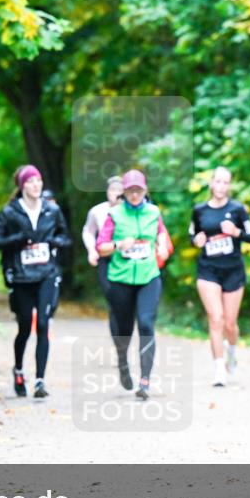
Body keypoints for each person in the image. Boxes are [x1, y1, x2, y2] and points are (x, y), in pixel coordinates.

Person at [0, 165, 71, 399]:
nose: (37, 185)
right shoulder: (9, 212)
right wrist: (19, 240)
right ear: (22, 185)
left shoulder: (51, 210)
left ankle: (40, 380)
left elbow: (66, 237)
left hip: (46, 273)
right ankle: (19, 369)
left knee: (43, 324)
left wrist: (53, 242)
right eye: (31, 181)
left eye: (39, 180)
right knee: (25, 327)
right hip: (22, 276)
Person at [96, 169, 171, 401]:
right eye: (131, 191)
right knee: (125, 329)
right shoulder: (115, 214)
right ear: (125, 192)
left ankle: (145, 381)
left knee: (147, 324)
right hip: (121, 279)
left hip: (149, 276)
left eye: (139, 190)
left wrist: (161, 246)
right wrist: (119, 244)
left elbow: (161, 234)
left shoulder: (153, 212)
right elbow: (101, 247)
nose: (135, 194)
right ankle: (122, 361)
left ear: (145, 190)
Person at [189, 167, 250, 387]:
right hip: (208, 270)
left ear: (229, 186)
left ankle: (231, 350)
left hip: (233, 271)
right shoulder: (199, 210)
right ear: (211, 184)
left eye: (225, 182)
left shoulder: (238, 209)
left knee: (230, 323)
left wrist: (235, 232)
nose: (221, 186)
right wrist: (196, 240)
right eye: (218, 181)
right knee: (215, 319)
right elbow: (193, 234)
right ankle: (219, 369)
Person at [82, 176, 124, 316]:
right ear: (107, 191)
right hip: (105, 256)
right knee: (111, 293)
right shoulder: (97, 211)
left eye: (119, 190)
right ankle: (117, 320)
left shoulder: (131, 211)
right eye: (112, 190)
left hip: (126, 256)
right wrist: (91, 250)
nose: (116, 193)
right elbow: (88, 231)